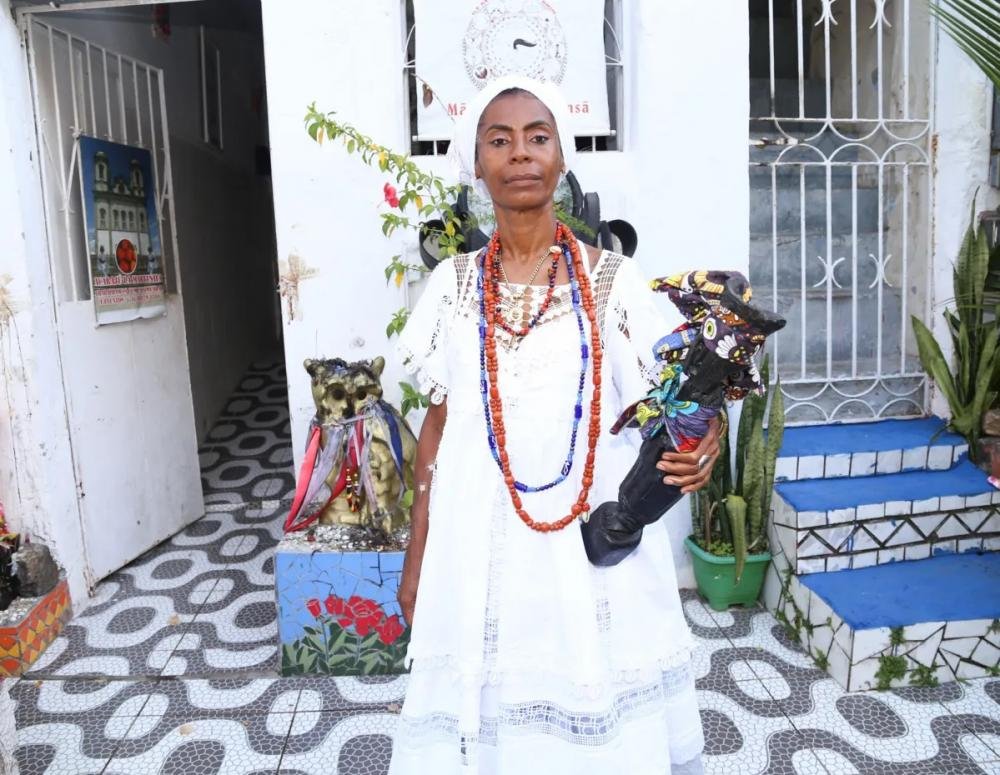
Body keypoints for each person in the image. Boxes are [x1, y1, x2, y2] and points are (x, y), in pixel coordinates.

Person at [390, 75, 719, 775]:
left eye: (538, 137)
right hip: (481, 550)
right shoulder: (451, 287)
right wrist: (418, 549)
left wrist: (706, 443)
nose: (520, 154)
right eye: (499, 140)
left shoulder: (616, 284)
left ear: (562, 158)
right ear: (476, 164)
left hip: (593, 548)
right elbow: (437, 425)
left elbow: (681, 402)